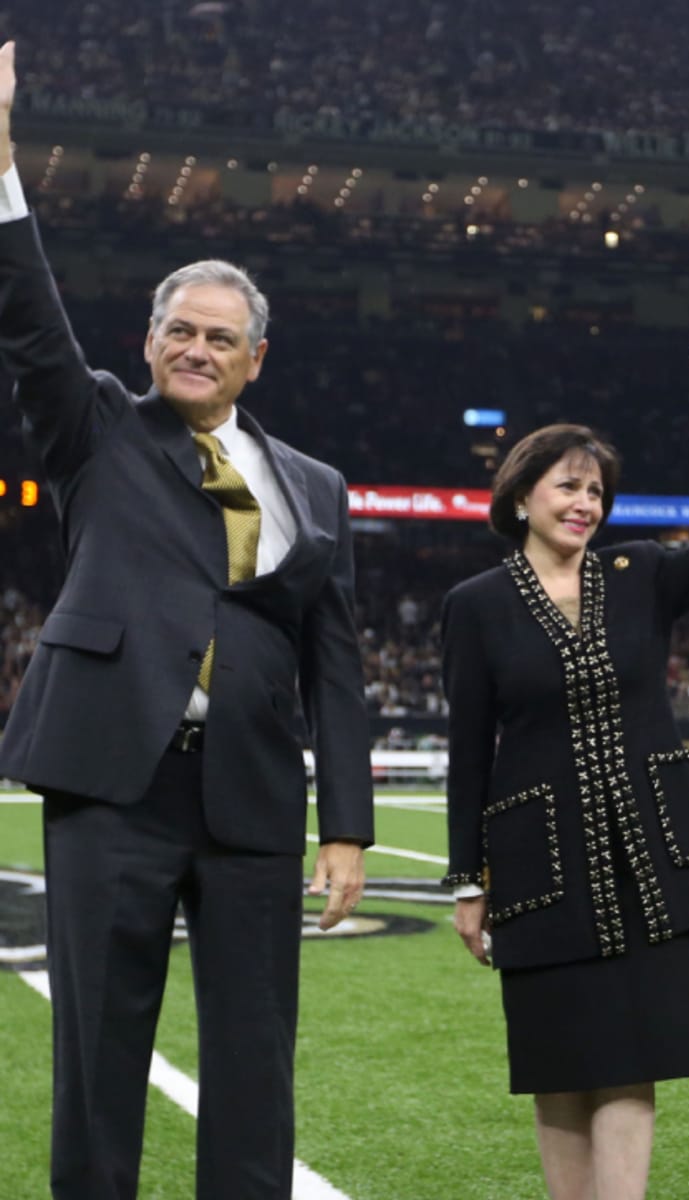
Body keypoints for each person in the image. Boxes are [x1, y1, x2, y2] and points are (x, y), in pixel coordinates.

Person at [0, 43, 374, 1200]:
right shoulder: (100, 429)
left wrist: (349, 826)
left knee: (257, 1058)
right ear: (148, 342)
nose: (198, 348)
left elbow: (339, 664)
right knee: (100, 1050)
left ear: (255, 359)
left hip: (255, 791)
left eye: (221, 336)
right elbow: (27, 323)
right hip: (117, 774)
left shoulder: (316, 485)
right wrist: (2, 167)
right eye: (181, 329)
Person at [441, 353, 689, 1200]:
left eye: (596, 491)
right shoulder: (476, 604)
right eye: (568, 487)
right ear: (522, 494)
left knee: (636, 1056)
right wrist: (466, 878)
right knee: (560, 1066)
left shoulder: (641, 575)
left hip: (651, 857)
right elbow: (468, 750)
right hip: (538, 866)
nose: (584, 505)